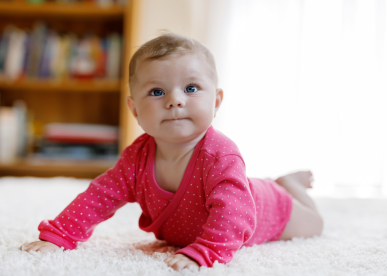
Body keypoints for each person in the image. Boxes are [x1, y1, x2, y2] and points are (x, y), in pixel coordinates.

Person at [20, 33, 323, 272]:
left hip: (270, 209)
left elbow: (234, 214)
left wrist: (205, 253)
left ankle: (289, 184)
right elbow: (99, 196)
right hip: (229, 203)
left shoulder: (220, 155)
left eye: (191, 88)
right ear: (134, 109)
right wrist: (60, 235)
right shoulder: (136, 158)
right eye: (157, 92)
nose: (175, 100)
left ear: (216, 101)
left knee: (314, 225)